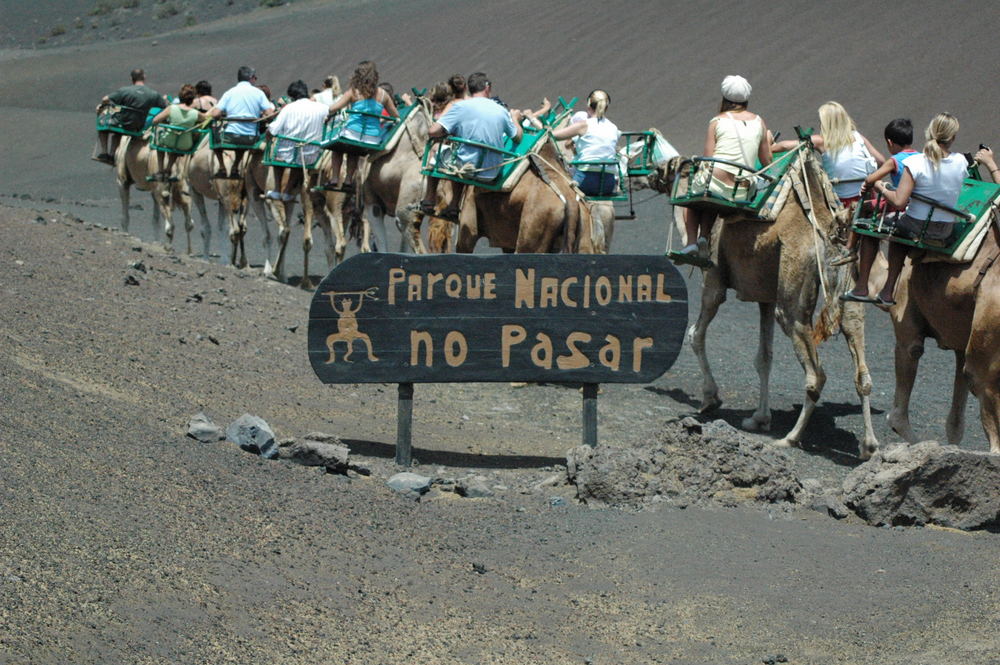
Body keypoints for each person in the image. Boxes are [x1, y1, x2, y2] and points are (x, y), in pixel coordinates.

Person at [848, 113, 967, 306]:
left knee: (871, 229)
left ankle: (863, 287)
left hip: (917, 225)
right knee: (899, 228)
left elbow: (899, 201)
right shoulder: (961, 161)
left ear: (929, 132)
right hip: (945, 228)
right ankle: (887, 292)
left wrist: (880, 186)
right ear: (952, 137)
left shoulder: (915, 163)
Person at [673, 75, 772, 267]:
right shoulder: (759, 122)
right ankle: (704, 237)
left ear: (725, 98)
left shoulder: (717, 121)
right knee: (714, 198)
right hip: (742, 190)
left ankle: (693, 241)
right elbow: (766, 160)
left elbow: (708, 158)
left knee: (693, 198)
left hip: (716, 181)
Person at [774, 101, 885, 265]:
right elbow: (881, 161)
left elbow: (785, 145)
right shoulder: (858, 137)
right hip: (868, 199)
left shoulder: (822, 141)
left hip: (842, 203)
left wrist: (769, 147)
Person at [421, 72, 523, 221]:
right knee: (462, 156)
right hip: (491, 172)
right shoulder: (502, 110)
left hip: (466, 167)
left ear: (470, 88)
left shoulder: (460, 106)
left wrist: (446, 131)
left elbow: (433, 131)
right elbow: (517, 137)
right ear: (487, 88)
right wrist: (515, 119)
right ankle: (453, 206)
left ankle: (429, 200)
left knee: (438, 150)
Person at [320, 60, 399, 197]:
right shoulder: (383, 95)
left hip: (352, 133)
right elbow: (396, 116)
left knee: (337, 147)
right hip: (373, 138)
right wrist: (382, 119)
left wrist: (328, 114)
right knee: (354, 151)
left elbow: (334, 107)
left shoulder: (354, 92)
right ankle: (349, 180)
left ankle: (334, 179)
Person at [541, 89, 620, 196]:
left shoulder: (583, 125)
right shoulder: (614, 128)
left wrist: (535, 121)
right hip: (608, 184)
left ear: (588, 105)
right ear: (606, 107)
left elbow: (553, 136)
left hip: (586, 181)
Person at [265, 80, 328, 201]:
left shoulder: (288, 108)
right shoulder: (323, 108)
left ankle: (277, 189)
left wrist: (268, 138)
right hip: (311, 154)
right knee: (299, 161)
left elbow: (273, 130)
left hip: (288, 153)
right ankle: (288, 190)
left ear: (292, 96)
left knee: (277, 157)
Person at [209, 66, 275, 179]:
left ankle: (222, 167)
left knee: (212, 133)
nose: (256, 80)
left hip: (230, 136)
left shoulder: (229, 92)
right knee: (243, 144)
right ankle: (235, 167)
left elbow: (215, 114)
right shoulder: (259, 93)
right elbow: (270, 114)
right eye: (255, 77)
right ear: (251, 78)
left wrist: (224, 115)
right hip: (251, 138)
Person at [95, 68, 168, 165]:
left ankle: (104, 152)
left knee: (102, 123)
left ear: (131, 78)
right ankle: (113, 155)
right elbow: (165, 106)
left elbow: (105, 99)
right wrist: (164, 99)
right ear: (144, 77)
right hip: (138, 126)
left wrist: (102, 105)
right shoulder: (153, 94)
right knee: (117, 133)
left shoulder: (124, 91)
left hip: (122, 123)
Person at [150, 84, 208, 181]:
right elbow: (206, 118)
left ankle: (160, 171)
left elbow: (155, 121)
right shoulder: (195, 113)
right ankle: (168, 169)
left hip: (169, 140)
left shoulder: (172, 108)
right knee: (177, 145)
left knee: (159, 144)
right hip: (185, 144)